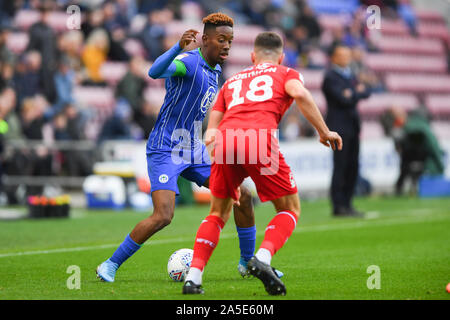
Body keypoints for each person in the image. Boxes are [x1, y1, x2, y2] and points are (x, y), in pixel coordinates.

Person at [96, 13, 271, 283]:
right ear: (206, 40)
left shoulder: (215, 73)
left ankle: (248, 262)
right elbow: (154, 72)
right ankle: (109, 264)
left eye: (230, 41)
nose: (227, 45)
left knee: (243, 194)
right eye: (221, 40)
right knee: (163, 215)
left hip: (193, 148)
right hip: (165, 147)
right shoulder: (189, 62)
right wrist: (177, 47)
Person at [182, 32, 342, 295]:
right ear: (280, 57)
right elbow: (299, 94)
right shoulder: (286, 73)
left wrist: (219, 158)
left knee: (217, 213)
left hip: (225, 140)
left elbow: (211, 129)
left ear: (252, 56)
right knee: (289, 208)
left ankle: (194, 278)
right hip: (258, 140)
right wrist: (323, 131)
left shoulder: (232, 80)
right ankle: (263, 259)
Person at [321, 43, 371, 217]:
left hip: (352, 127)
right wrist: (355, 92)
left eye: (347, 55)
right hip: (338, 128)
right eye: (341, 55)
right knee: (340, 166)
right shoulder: (330, 77)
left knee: (353, 166)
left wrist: (353, 93)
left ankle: (348, 204)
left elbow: (366, 91)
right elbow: (343, 99)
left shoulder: (350, 76)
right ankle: (338, 205)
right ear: (333, 57)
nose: (345, 58)